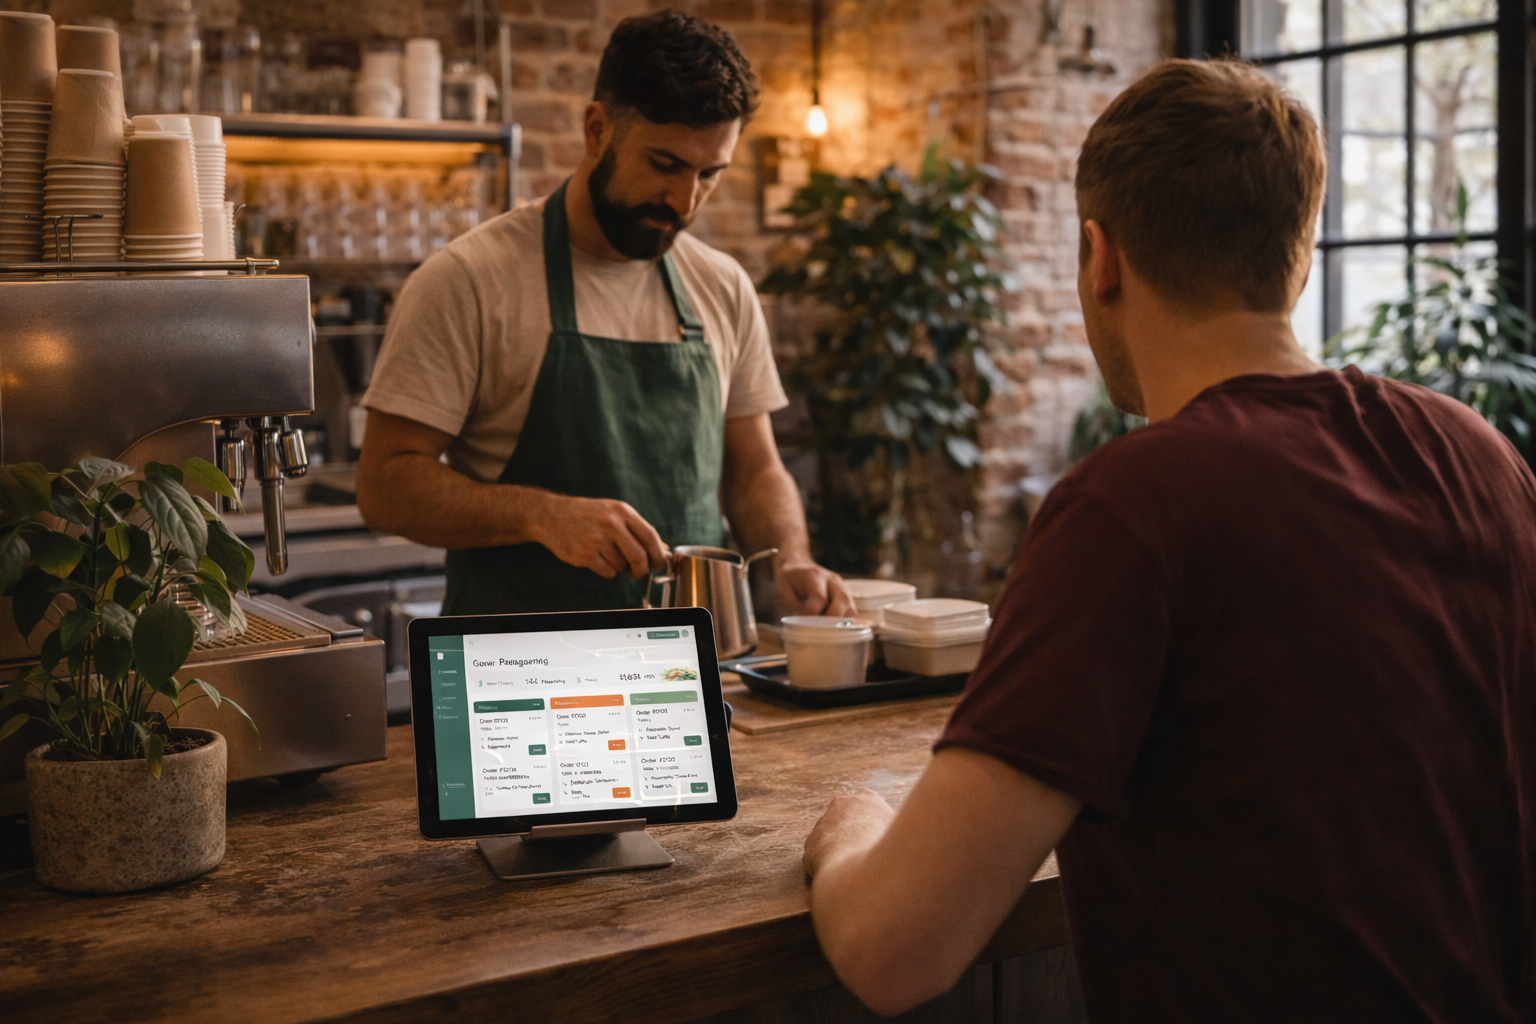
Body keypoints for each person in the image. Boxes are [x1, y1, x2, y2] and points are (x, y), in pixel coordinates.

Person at [801, 59, 1535, 1021]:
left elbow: (893, 950)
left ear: (1100, 257)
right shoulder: (1477, 453)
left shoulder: (1132, 507)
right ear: (1299, 257)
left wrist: (850, 824)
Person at [356, 9, 854, 618]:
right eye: (665, 165)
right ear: (597, 130)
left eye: (710, 174)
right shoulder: (468, 280)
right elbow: (385, 486)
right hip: (518, 663)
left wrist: (790, 560)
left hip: (683, 662)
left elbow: (754, 473)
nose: (685, 201)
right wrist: (540, 515)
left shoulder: (722, 286)